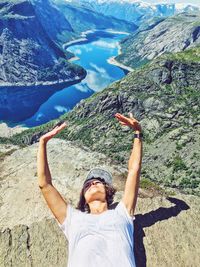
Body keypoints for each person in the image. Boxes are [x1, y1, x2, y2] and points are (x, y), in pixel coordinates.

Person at [37, 112, 143, 267]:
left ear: (108, 192)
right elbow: (45, 185)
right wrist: (42, 143)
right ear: (83, 199)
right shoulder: (72, 218)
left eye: (98, 182)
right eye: (88, 184)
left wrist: (138, 133)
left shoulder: (123, 212)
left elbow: (134, 170)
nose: (93, 183)